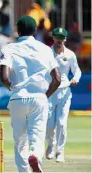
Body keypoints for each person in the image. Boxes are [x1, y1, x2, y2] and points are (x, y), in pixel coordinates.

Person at [0, 16, 61, 172]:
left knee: (20, 141)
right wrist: (44, 96)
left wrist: (13, 88)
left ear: (18, 30)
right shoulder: (46, 49)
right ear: (35, 30)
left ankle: (24, 170)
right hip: (39, 98)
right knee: (37, 137)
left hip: (18, 98)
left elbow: (4, 78)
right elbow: (57, 79)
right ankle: (35, 155)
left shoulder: (9, 48)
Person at [45, 27, 82, 162]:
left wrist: (75, 78)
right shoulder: (47, 53)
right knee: (49, 124)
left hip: (65, 91)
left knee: (61, 123)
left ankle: (60, 151)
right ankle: (50, 145)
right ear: (53, 38)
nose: (59, 40)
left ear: (65, 39)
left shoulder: (70, 54)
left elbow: (77, 71)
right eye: (57, 37)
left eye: (62, 38)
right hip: (49, 92)